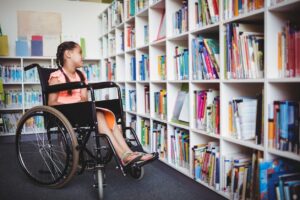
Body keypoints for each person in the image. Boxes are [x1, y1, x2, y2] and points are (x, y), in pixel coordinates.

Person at [48, 41, 156, 166]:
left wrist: (82, 106)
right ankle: (123, 155)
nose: (83, 56)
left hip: (80, 110)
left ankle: (128, 152)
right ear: (68, 54)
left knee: (108, 114)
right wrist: (73, 106)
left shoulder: (81, 75)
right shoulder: (57, 77)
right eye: (80, 53)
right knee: (97, 114)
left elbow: (84, 98)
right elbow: (52, 103)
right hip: (65, 113)